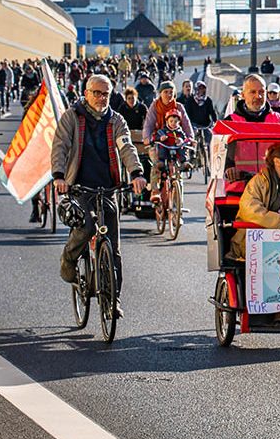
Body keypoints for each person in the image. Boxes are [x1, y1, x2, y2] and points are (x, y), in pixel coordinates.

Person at [51, 75, 147, 309]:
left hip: (108, 187)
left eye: (105, 94)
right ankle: (69, 259)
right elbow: (60, 146)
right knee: (86, 227)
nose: (101, 98)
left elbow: (127, 148)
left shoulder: (116, 120)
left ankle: (112, 301)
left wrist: (136, 173)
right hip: (79, 186)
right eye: (96, 93)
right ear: (86, 93)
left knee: (113, 248)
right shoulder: (72, 117)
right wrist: (59, 176)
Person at [142, 81, 194, 200]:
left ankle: (178, 202)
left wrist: (190, 138)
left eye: (171, 92)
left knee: (178, 169)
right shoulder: (155, 106)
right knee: (156, 163)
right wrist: (147, 138)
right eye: (166, 92)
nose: (169, 95)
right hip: (159, 141)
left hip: (175, 142)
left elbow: (186, 124)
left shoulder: (179, 107)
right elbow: (148, 124)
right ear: (160, 93)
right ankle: (155, 190)